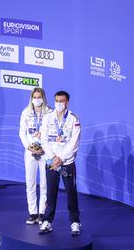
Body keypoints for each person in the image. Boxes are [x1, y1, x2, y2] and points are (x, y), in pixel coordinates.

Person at [39, 90, 82, 236]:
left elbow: (74, 144)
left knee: (71, 192)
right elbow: (43, 139)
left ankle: (75, 222)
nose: (58, 104)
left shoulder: (73, 119)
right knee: (50, 192)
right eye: (56, 101)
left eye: (61, 101)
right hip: (51, 163)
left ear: (67, 103)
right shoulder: (47, 118)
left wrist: (60, 159)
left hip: (66, 164)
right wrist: (53, 158)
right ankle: (47, 221)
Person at [19, 88, 52, 225]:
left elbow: (53, 132)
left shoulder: (50, 113)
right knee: (30, 184)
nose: (37, 100)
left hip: (45, 153)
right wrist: (29, 147)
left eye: (39, 97)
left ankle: (42, 213)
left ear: (43, 98)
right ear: (31, 98)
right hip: (31, 152)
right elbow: (22, 133)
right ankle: (33, 213)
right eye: (35, 97)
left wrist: (44, 145)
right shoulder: (26, 113)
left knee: (45, 184)